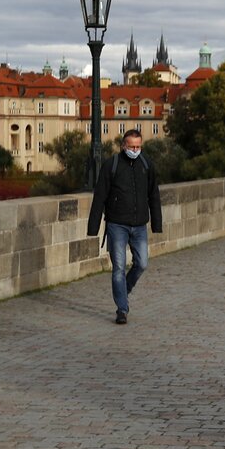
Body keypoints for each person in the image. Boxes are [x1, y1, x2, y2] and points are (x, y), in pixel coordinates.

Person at [87, 129, 163, 325]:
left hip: (139, 225)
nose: (135, 150)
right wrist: (93, 227)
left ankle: (123, 290)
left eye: (138, 147)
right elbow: (100, 197)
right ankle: (122, 309)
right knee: (119, 267)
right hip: (116, 224)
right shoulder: (111, 165)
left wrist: (156, 223)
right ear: (123, 146)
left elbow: (154, 194)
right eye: (132, 147)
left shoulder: (146, 164)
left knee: (142, 264)